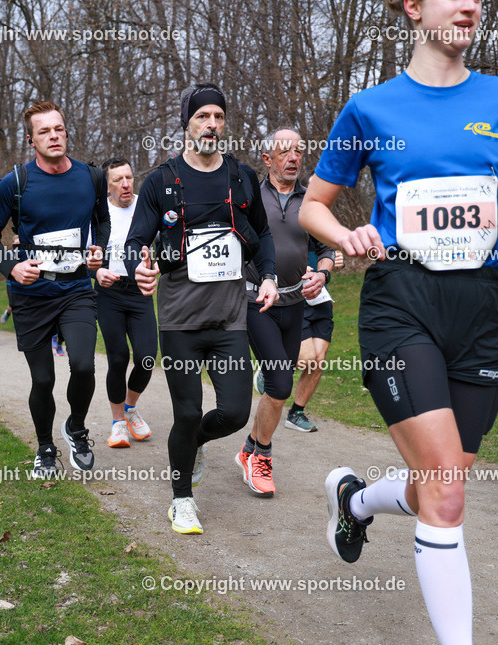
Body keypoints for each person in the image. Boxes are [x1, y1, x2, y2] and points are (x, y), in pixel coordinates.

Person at [299, 0, 498, 645]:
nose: (470, 5)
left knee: (437, 485)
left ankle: (353, 501)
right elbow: (313, 205)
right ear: (413, 7)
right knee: (446, 492)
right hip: (399, 302)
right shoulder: (370, 108)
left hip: (481, 308)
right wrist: (344, 233)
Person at [125, 83, 278, 534]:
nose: (211, 124)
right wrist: (141, 267)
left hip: (230, 319)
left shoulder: (241, 177)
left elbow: (264, 234)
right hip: (179, 322)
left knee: (233, 412)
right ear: (186, 124)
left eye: (218, 116)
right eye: (201, 117)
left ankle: (194, 445)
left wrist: (268, 275)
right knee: (187, 411)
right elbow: (137, 241)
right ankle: (182, 500)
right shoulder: (162, 181)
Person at [0, 100, 110, 477]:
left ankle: (77, 428)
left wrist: (99, 246)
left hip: (75, 289)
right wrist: (11, 266)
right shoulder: (15, 182)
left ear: (66, 132)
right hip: (32, 295)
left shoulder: (91, 177)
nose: (54, 136)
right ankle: (45, 447)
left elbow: (101, 220)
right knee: (43, 379)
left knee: (84, 365)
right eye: (45, 132)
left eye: (59, 129)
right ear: (31, 140)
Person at [236, 128, 334, 496]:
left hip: (296, 303)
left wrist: (321, 273)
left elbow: (326, 249)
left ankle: (249, 447)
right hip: (255, 301)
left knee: (278, 389)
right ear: (268, 159)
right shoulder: (249, 197)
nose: (294, 157)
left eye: (299, 151)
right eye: (285, 151)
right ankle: (262, 457)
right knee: (279, 382)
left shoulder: (311, 203)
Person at [94, 157, 157, 449]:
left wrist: (156, 263)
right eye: (118, 179)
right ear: (108, 186)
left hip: (140, 292)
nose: (126, 184)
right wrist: (96, 271)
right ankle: (118, 422)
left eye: (129, 177)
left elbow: (166, 241)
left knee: (146, 357)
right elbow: (88, 254)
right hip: (110, 292)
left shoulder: (146, 206)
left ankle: (130, 408)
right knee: (118, 357)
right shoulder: (98, 213)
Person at [286, 248, 345, 432]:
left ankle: (296, 413)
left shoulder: (321, 228)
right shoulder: (288, 221)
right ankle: (273, 369)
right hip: (295, 298)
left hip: (321, 298)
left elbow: (331, 254)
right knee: (305, 358)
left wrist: (339, 261)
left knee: (318, 360)